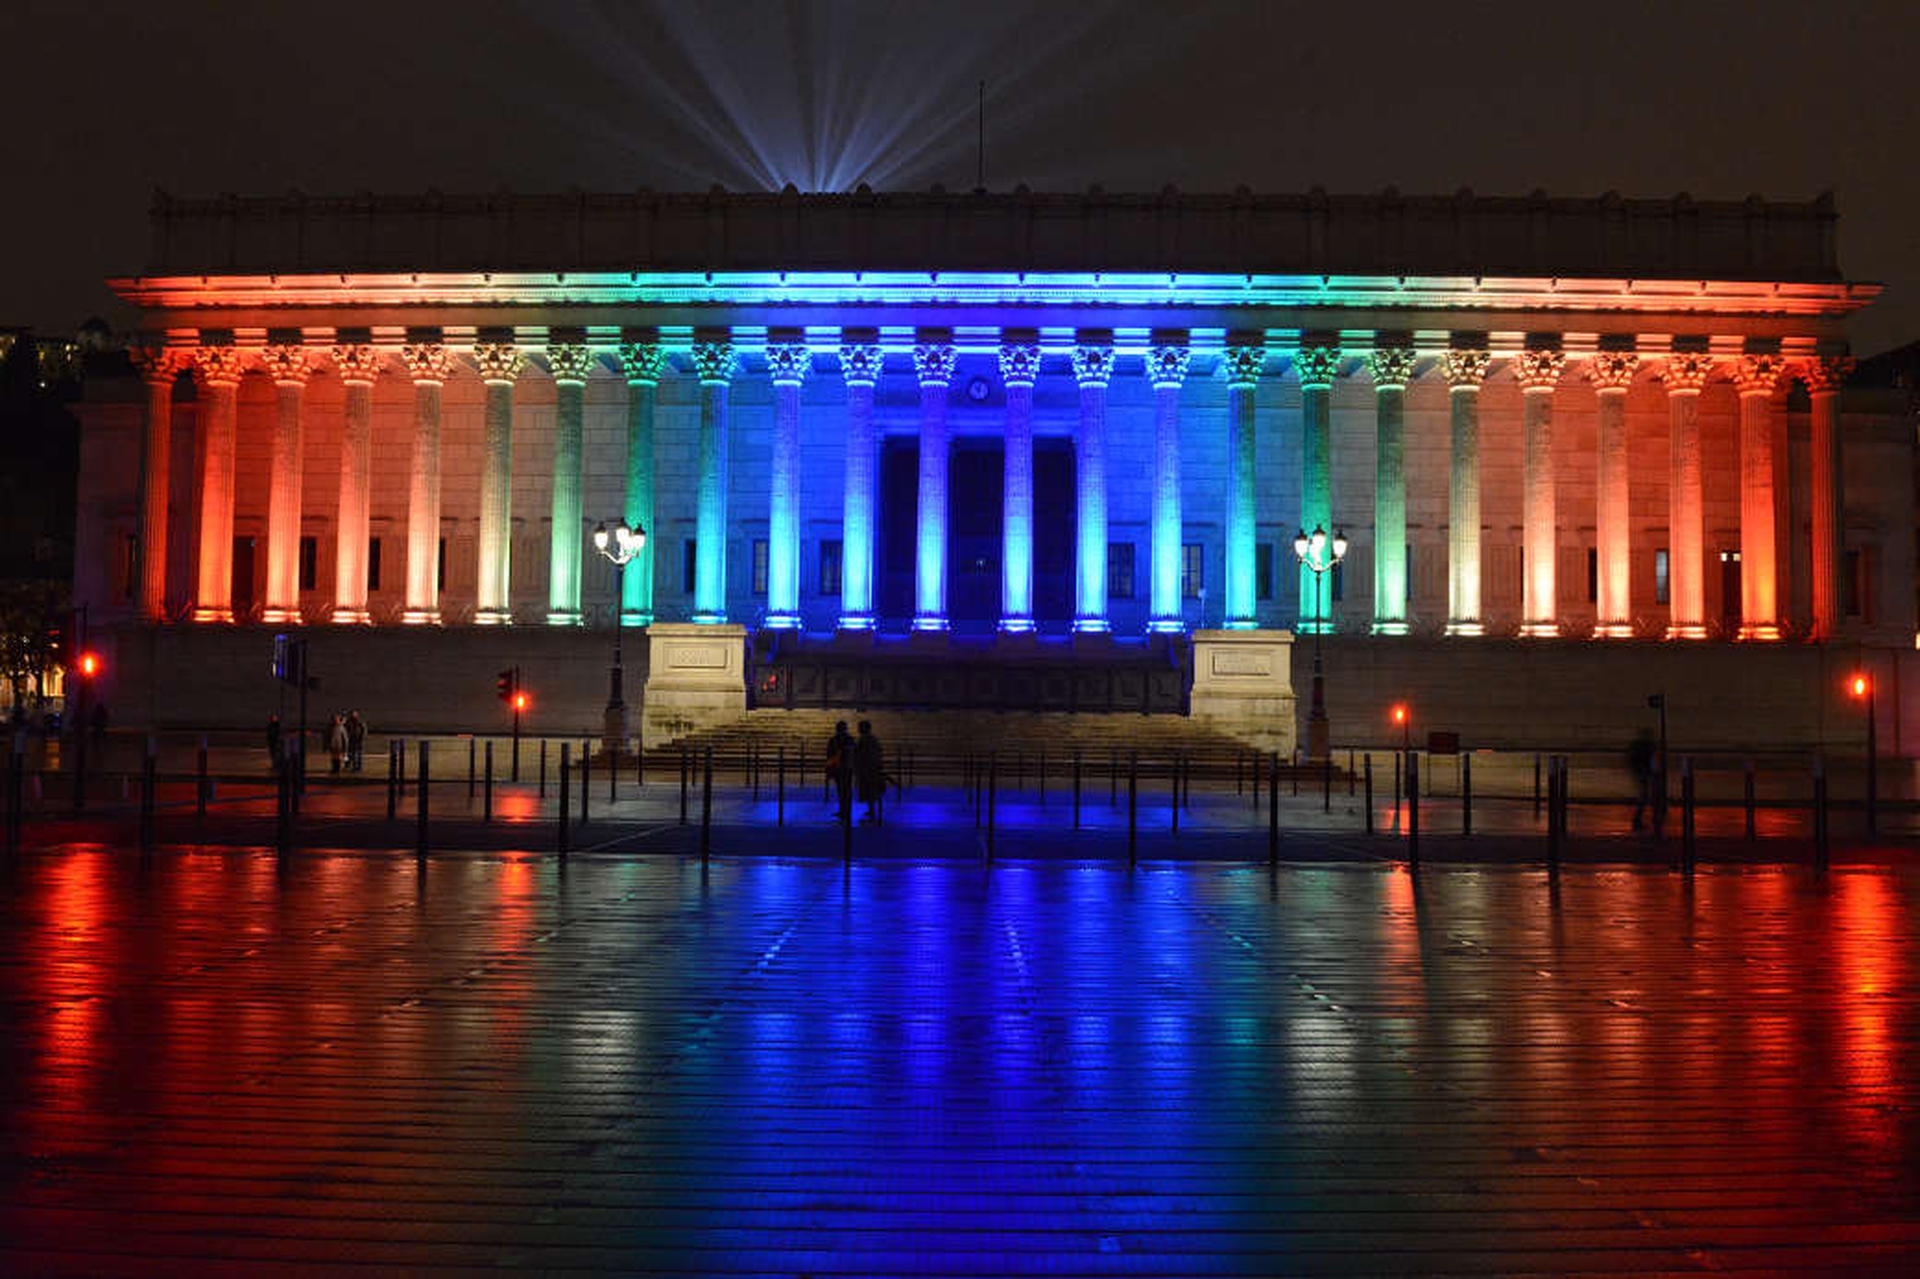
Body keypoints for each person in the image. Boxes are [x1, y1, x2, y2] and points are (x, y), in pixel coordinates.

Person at [854, 720, 886, 823]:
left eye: (860, 727)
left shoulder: (864, 739)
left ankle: (872, 811)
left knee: (868, 792)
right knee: (870, 792)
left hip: (867, 769)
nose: (858, 729)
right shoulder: (872, 739)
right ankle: (871, 810)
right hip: (871, 769)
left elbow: (859, 754)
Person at [1628, 729, 1658, 831]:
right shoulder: (1650, 746)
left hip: (1640, 773)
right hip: (1646, 773)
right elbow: (1653, 760)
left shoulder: (1637, 745)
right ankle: (1640, 820)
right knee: (1647, 796)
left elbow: (1631, 759)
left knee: (1644, 796)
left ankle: (1638, 819)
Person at [825, 720, 854, 822]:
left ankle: (843, 810)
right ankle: (846, 810)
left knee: (841, 791)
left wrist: (828, 769)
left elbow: (829, 755)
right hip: (847, 768)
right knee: (846, 791)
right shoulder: (850, 739)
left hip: (838, 768)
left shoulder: (834, 740)